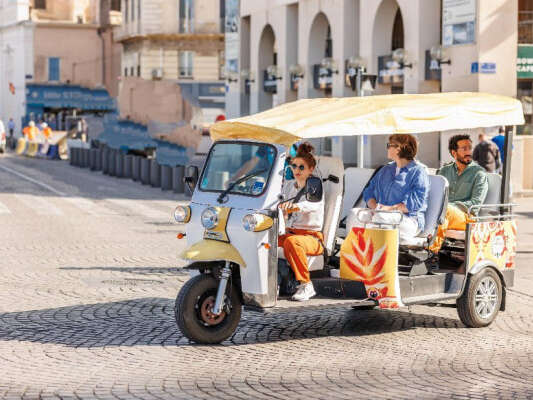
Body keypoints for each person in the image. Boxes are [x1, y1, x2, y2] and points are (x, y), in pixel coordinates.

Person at [347, 134, 429, 241]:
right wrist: (374, 206)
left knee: (380, 218)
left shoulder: (418, 172)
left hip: (409, 220)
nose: (387, 148)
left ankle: (376, 253)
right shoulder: (385, 170)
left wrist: (388, 209)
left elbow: (414, 204)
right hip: (381, 214)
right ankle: (356, 252)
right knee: (355, 214)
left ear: (399, 148)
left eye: (389, 145)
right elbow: (369, 191)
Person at [278, 142, 325, 302]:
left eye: (301, 167)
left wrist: (294, 207)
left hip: (312, 238)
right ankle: (270, 283)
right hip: (289, 232)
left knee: (292, 242)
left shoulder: (315, 187)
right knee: (262, 240)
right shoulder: (289, 186)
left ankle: (306, 284)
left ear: (311, 169)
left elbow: (311, 205)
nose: (296, 170)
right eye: (294, 166)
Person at [429, 134, 488, 252]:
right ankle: (412, 247)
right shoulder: (444, 171)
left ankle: (431, 252)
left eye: (470, 148)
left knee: (446, 210)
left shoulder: (479, 173)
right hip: (444, 214)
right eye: (464, 149)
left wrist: (449, 206)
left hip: (467, 216)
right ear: (454, 152)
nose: (469, 152)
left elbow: (475, 203)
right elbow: (434, 195)